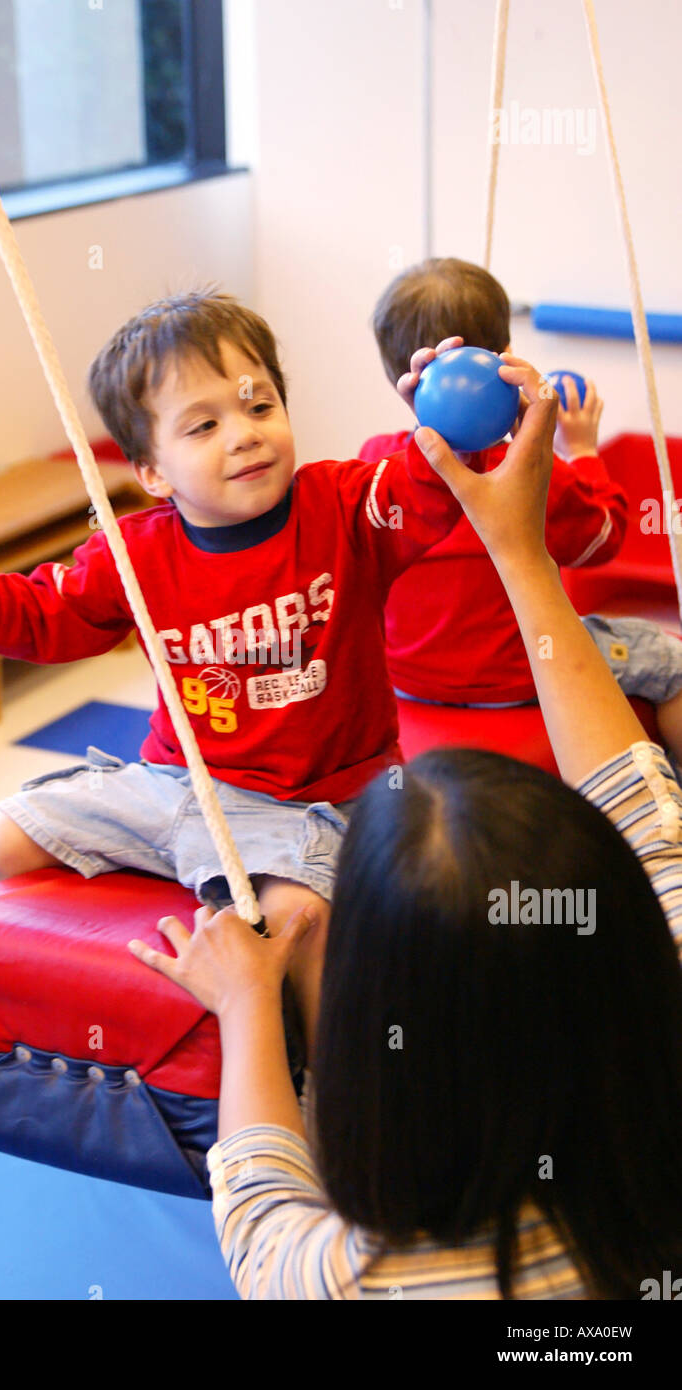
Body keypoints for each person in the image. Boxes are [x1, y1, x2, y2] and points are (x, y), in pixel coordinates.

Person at [131, 354, 682, 1300]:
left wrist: (249, 1009)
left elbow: (263, 1215)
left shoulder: (370, 1275)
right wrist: (518, 545)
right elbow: (633, 796)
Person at [0, 290, 469, 1048]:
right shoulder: (137, 555)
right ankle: (55, 1024)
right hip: (172, 788)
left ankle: (339, 1092)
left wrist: (447, 419)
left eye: (258, 407)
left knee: (301, 924)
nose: (244, 436)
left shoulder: (344, 507)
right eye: (204, 426)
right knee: (5, 838)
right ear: (153, 473)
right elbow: (50, 610)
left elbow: (424, 492)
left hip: (306, 801)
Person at [362, 258, 682, 762]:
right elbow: (605, 538)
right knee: (671, 658)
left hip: (410, 682)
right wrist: (583, 450)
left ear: (396, 376)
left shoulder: (375, 461)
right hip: (523, 678)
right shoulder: (530, 468)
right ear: (504, 360)